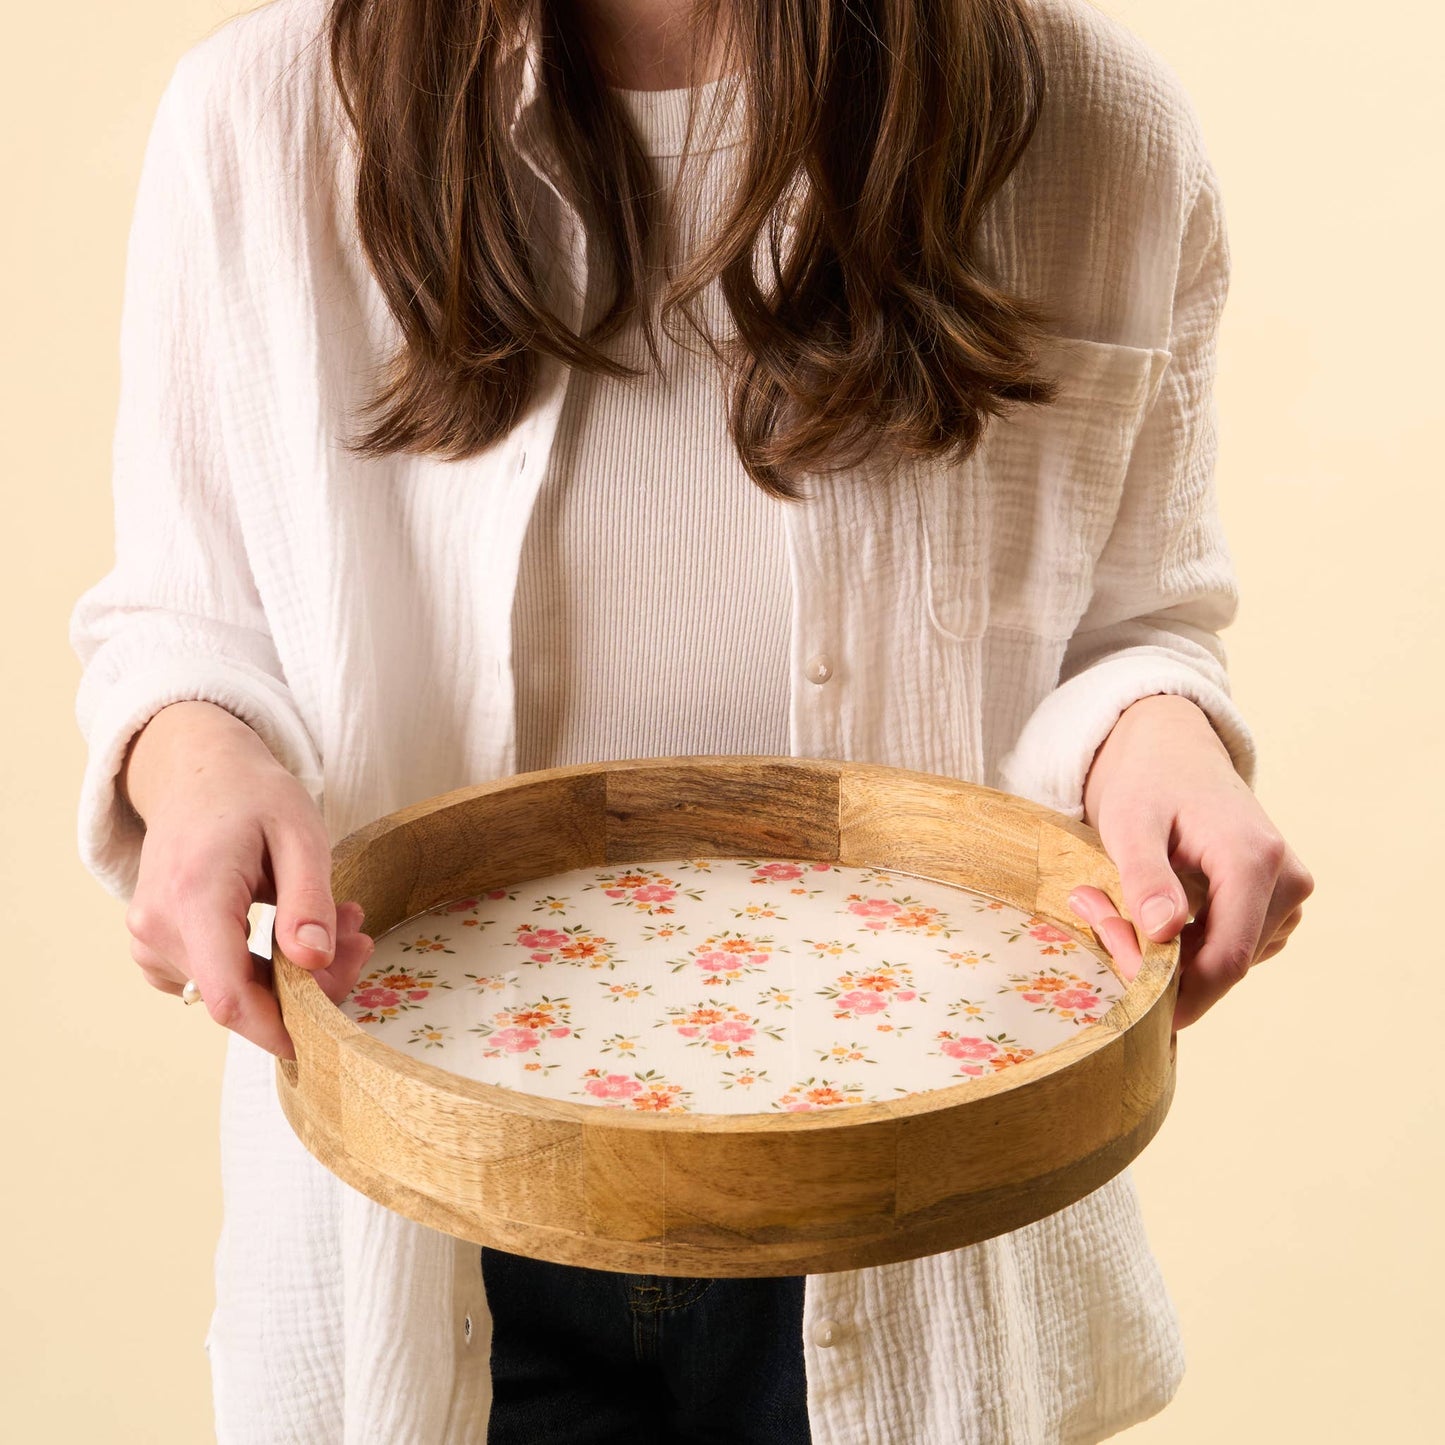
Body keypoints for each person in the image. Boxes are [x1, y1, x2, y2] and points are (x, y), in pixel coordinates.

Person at [68, 0, 1314, 1440]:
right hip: (430, 1217)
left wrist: (1161, 733)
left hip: (916, 1208)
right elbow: (184, 617)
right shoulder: (255, 119)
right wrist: (199, 765)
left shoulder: (1097, 122)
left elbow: (1135, 620)